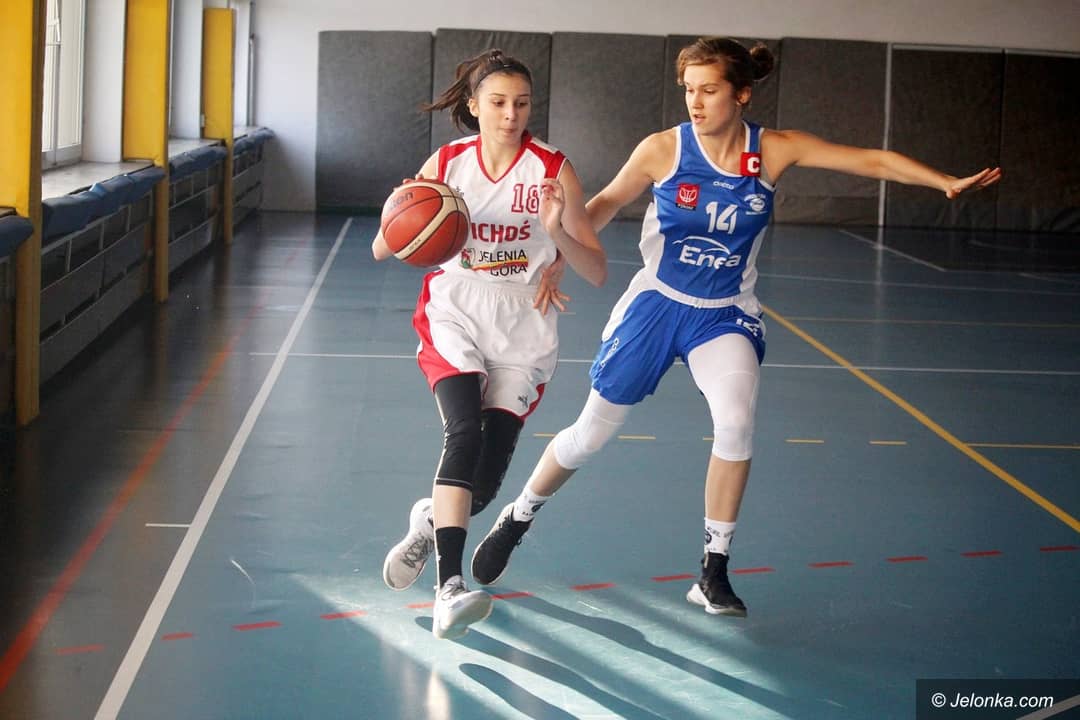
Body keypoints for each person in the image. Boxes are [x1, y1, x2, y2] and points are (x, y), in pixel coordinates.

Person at [469, 36, 1001, 617]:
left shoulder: (772, 150)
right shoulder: (663, 149)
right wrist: (559, 252)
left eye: (709, 90)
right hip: (657, 304)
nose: (695, 102)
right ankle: (518, 515)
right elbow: (606, 203)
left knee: (736, 423)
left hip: (725, 313)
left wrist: (942, 182)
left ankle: (713, 570)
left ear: (742, 94)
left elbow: (868, 160)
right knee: (590, 434)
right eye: (689, 90)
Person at [372, 49, 606, 639]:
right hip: (456, 307)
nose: (511, 115)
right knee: (463, 432)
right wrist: (403, 210)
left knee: (479, 490)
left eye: (522, 103)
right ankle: (449, 590)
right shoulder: (448, 163)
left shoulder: (553, 169)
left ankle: (429, 523)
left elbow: (597, 269)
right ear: (474, 106)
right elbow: (382, 247)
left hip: (525, 322)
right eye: (498, 102)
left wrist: (555, 235)